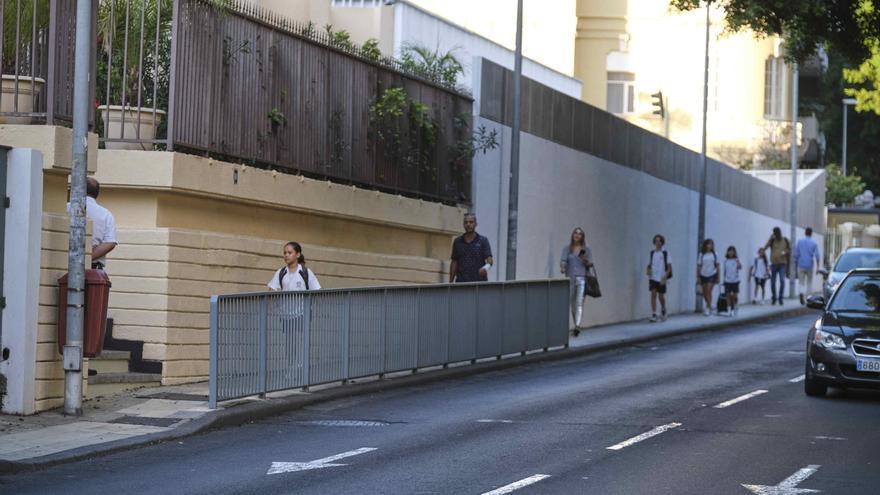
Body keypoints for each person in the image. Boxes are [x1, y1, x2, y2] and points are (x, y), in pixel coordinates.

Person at [68, 177, 118, 271]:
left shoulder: (66, 208)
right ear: (97, 194)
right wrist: (87, 258)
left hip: (65, 265)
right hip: (93, 270)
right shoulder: (106, 214)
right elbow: (110, 242)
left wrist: (75, 259)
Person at [560, 227, 594, 335]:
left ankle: (577, 326)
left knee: (579, 303)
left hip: (582, 278)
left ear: (582, 237)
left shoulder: (586, 249)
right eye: (575, 233)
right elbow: (563, 260)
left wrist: (585, 260)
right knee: (571, 303)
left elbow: (590, 264)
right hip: (570, 278)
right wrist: (563, 267)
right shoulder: (567, 248)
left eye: (580, 234)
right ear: (573, 235)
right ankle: (576, 323)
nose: (577, 235)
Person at [450, 213, 493, 283]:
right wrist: (450, 283)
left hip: (479, 284)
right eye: (466, 222)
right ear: (463, 225)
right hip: (461, 283)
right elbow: (454, 262)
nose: (468, 224)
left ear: (476, 224)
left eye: (471, 222)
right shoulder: (457, 241)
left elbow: (490, 260)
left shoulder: (483, 240)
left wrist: (485, 268)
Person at [646, 234, 672, 322]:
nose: (658, 242)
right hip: (653, 277)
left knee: (661, 296)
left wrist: (665, 276)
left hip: (661, 278)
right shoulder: (652, 253)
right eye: (656, 241)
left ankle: (663, 308)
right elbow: (651, 264)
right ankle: (654, 313)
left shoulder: (665, 253)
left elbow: (669, 267)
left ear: (662, 242)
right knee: (653, 294)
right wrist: (649, 269)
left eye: (659, 241)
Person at [793, 227, 821, 305]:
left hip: (801, 264)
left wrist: (796, 264)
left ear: (805, 233)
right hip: (809, 265)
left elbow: (796, 254)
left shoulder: (800, 242)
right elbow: (817, 256)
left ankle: (801, 293)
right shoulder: (814, 243)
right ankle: (808, 298)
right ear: (811, 233)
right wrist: (818, 267)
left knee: (801, 281)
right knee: (809, 282)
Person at [765, 227, 791, 305]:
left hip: (782, 264)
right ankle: (774, 297)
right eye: (774, 234)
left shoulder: (785, 240)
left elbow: (789, 249)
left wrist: (785, 252)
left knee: (782, 281)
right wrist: (770, 238)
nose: (776, 235)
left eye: (776, 233)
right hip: (774, 264)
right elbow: (765, 247)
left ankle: (780, 298)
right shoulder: (772, 240)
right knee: (773, 282)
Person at [697, 238, 719, 316]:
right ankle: (709, 304)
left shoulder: (715, 254)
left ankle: (708, 308)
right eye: (708, 244)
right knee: (704, 292)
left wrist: (718, 277)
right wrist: (698, 277)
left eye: (711, 244)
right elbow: (699, 266)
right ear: (705, 245)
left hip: (712, 274)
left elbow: (718, 266)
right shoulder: (701, 254)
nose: (710, 246)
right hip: (703, 275)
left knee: (709, 291)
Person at [722, 246, 742, 317]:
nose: (731, 252)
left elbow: (740, 267)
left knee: (734, 297)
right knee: (728, 296)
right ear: (727, 252)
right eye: (729, 251)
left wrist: (738, 261)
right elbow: (725, 271)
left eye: (732, 251)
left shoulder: (736, 260)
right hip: (727, 281)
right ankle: (729, 310)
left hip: (735, 281)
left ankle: (735, 309)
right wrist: (723, 280)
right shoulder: (726, 261)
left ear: (734, 252)